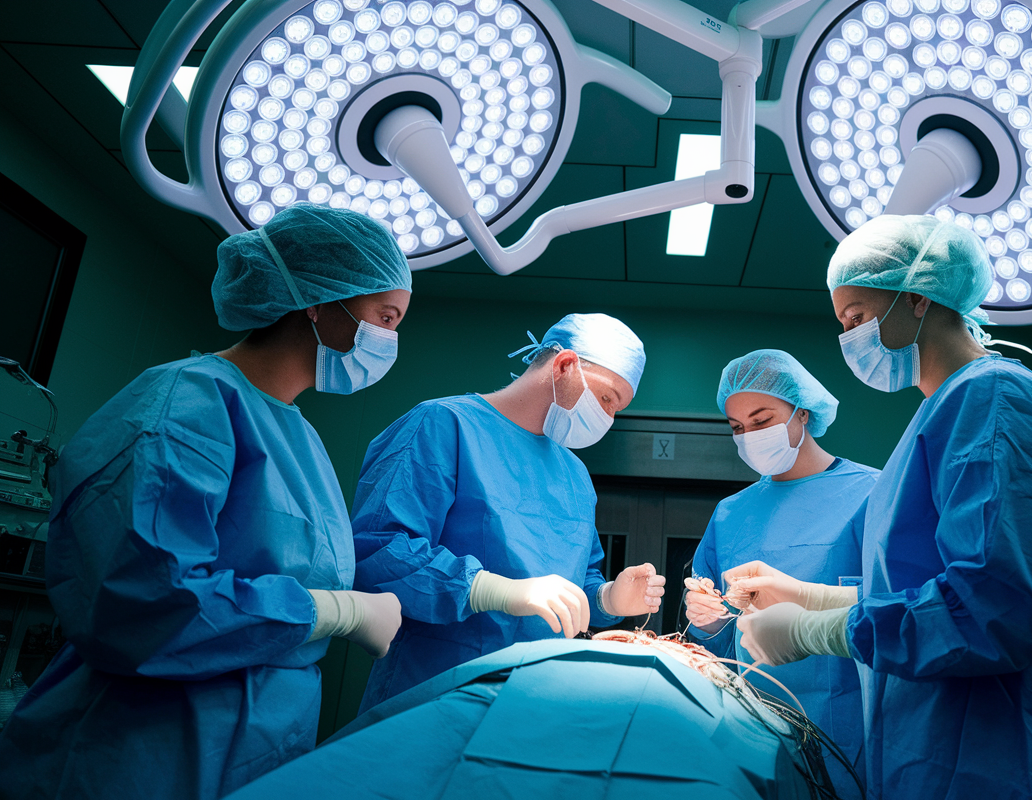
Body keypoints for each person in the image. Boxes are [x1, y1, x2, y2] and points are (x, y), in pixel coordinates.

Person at [0, 205, 413, 799]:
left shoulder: (296, 434)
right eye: (385, 316)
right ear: (320, 300)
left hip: (255, 744)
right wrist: (336, 612)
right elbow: (143, 601)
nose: (389, 339)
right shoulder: (182, 409)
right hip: (141, 750)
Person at [730, 215, 1032, 799]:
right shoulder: (941, 414)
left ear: (917, 299)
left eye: (858, 317)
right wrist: (813, 596)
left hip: (1005, 757)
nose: (849, 338)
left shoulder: (993, 400)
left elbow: (1000, 608)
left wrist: (819, 630)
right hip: (941, 748)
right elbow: (932, 587)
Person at [350, 313, 666, 712]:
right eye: (606, 397)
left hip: (536, 700)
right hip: (435, 693)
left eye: (616, 408)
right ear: (566, 366)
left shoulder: (575, 475)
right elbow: (379, 553)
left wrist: (608, 599)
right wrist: (491, 590)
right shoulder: (444, 425)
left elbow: (571, 586)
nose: (608, 416)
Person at [685, 349, 876, 797]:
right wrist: (707, 618)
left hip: (847, 730)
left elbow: (902, 604)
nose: (749, 435)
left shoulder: (873, 493)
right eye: (737, 427)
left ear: (802, 411)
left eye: (762, 419)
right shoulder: (730, 513)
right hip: (750, 725)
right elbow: (713, 640)